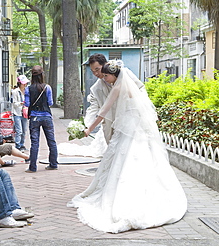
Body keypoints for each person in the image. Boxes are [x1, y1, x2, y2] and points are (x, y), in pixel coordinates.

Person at [68, 60, 187, 233]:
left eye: (106, 75)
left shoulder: (117, 87)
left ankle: (127, 199)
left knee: (127, 157)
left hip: (129, 127)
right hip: (135, 125)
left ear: (114, 75)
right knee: (139, 156)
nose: (103, 77)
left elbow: (103, 111)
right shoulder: (129, 85)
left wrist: (89, 130)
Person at [84, 54, 145, 143]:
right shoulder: (96, 88)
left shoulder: (125, 75)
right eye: (93, 71)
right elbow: (93, 108)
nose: (96, 74)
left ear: (105, 64)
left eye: (97, 69)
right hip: (111, 124)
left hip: (130, 121)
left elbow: (140, 88)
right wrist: (86, 125)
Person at [24, 65, 58, 173]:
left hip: (34, 117)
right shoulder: (47, 87)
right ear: (42, 75)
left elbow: (27, 103)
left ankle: (32, 167)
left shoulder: (28, 89)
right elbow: (50, 103)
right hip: (46, 116)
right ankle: (53, 164)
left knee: (35, 143)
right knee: (51, 141)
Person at [11, 75, 29, 151]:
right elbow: (14, 103)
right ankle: (17, 145)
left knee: (24, 130)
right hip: (17, 113)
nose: (25, 85)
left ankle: (22, 144)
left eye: (25, 83)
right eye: (23, 83)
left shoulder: (27, 91)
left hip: (25, 113)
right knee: (19, 130)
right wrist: (21, 103)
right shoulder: (15, 92)